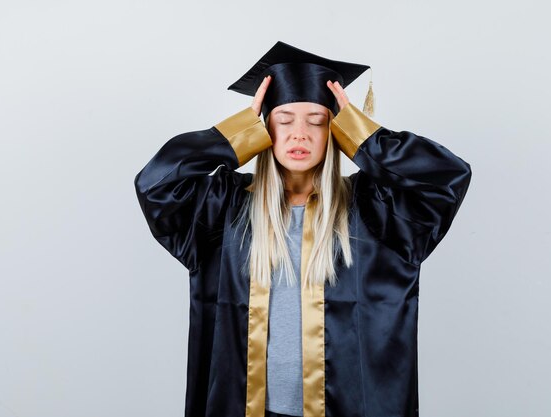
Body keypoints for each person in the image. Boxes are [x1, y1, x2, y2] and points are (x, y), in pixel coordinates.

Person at [134, 41, 472, 417]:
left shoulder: (378, 213)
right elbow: (155, 184)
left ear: (336, 131)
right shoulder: (223, 210)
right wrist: (238, 133)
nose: (300, 134)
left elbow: (447, 177)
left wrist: (365, 138)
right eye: (284, 120)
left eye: (317, 121)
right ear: (265, 131)